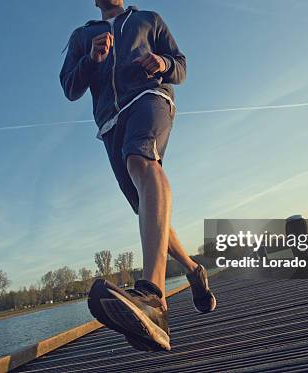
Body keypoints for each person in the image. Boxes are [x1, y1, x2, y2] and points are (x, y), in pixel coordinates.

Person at [59, 0, 216, 351]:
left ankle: (153, 296)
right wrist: (91, 60)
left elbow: (181, 65)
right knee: (146, 207)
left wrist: (162, 63)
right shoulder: (82, 35)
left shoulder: (148, 19)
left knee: (140, 160)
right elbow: (70, 87)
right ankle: (193, 270)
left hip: (150, 97)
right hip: (110, 122)